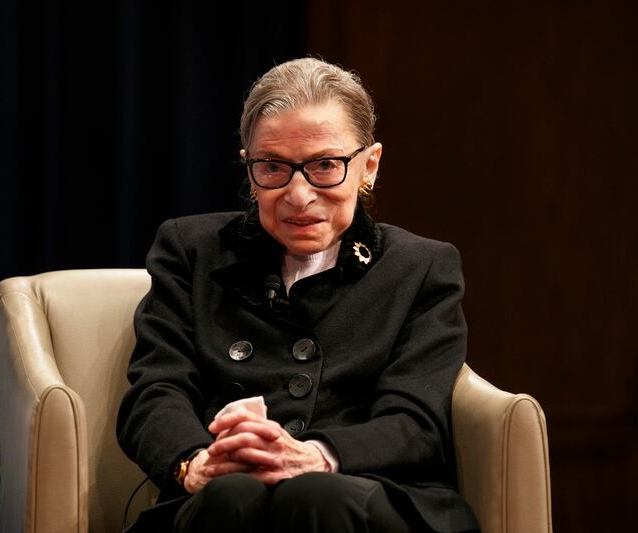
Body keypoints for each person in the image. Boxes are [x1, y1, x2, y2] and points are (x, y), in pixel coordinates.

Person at [116, 57, 480, 533]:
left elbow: (416, 420)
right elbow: (155, 390)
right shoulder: (190, 250)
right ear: (249, 170)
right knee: (232, 495)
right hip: (225, 489)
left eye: (326, 165)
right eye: (273, 167)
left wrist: (318, 456)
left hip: (370, 490)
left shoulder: (421, 266)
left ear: (368, 166)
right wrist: (195, 463)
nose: (299, 194)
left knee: (315, 495)